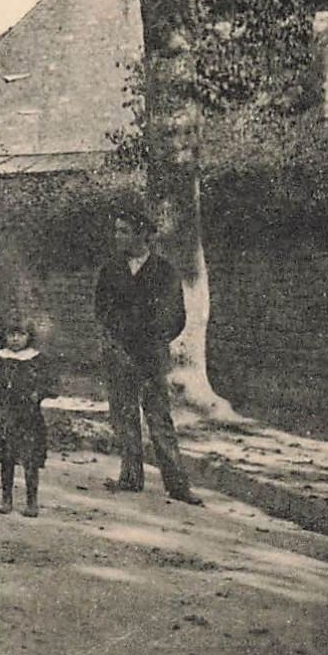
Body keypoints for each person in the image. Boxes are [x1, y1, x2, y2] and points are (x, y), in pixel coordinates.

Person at [93, 205, 203, 505]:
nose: (118, 236)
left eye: (124, 231)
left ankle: (177, 485)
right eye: (116, 230)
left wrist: (149, 338)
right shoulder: (110, 269)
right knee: (124, 416)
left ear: (142, 234)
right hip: (119, 354)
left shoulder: (165, 272)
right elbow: (102, 310)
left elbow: (174, 316)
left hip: (151, 356)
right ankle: (130, 477)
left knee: (158, 418)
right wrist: (119, 338)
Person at [0, 322, 55, 517]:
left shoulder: (37, 359)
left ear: (29, 336)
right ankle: (6, 499)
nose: (15, 338)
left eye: (20, 334)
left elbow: (51, 383)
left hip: (29, 416)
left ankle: (31, 501)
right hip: (5, 414)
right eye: (11, 334)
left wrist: (39, 393)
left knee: (30, 460)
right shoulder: (0, 358)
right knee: (7, 458)